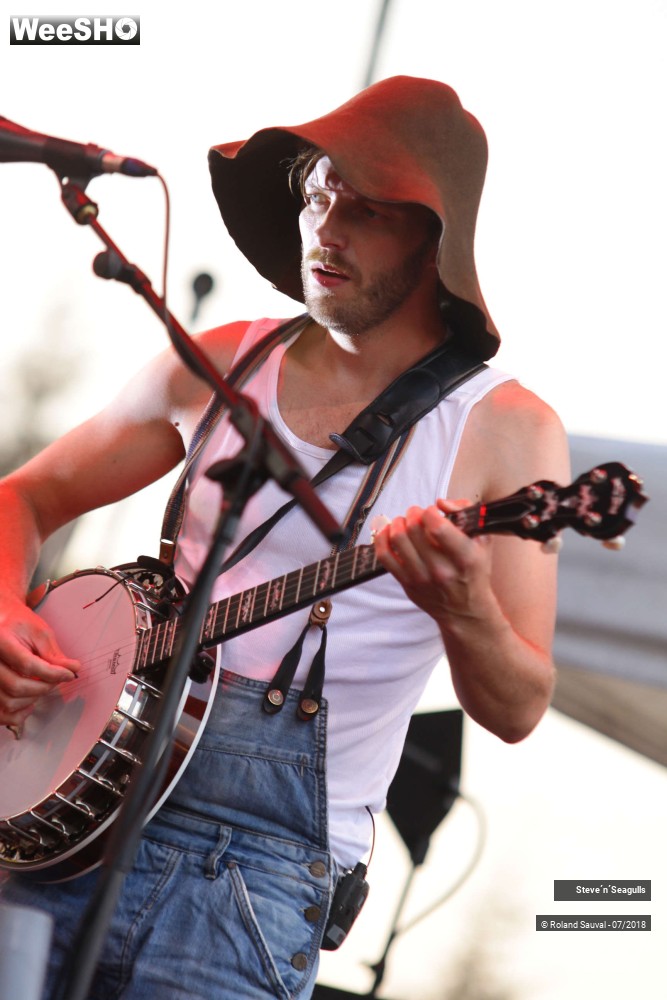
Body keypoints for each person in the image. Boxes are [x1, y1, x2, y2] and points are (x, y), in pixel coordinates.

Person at [0, 76, 569, 999]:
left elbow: (517, 708)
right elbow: (23, 498)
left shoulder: (508, 431)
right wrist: (6, 608)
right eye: (317, 195)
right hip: (68, 825)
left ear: (433, 238)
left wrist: (466, 610)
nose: (325, 230)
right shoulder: (222, 360)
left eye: (366, 209)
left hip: (252, 890)